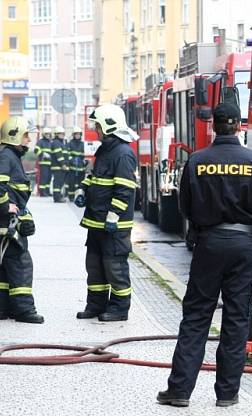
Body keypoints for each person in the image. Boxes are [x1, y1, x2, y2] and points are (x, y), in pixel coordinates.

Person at [157, 102, 252, 408]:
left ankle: (179, 390)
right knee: (236, 319)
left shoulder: (197, 161)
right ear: (238, 127)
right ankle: (227, 394)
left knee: (196, 317)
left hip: (209, 243)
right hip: (244, 246)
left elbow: (185, 206)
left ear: (214, 126)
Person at [73, 104, 138, 322]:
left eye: (98, 126)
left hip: (113, 226)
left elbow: (125, 189)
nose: (96, 130)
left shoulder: (123, 154)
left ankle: (120, 309)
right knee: (95, 266)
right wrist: (82, 188)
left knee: (115, 268)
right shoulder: (104, 150)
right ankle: (96, 305)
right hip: (95, 223)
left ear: (109, 126)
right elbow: (93, 176)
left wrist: (113, 216)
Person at [0, 116, 44, 324]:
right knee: (20, 261)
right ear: (15, 136)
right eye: (26, 136)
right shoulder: (6, 157)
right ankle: (24, 311)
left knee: (5, 262)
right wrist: (5, 206)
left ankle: (3, 308)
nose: (28, 140)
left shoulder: (9, 155)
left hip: (6, 218)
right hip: (6, 219)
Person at [66, 126, 87, 202]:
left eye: (79, 134)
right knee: (71, 183)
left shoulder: (83, 144)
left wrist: (85, 161)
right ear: (73, 135)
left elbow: (86, 154)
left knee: (81, 184)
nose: (77, 135)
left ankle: (79, 196)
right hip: (72, 167)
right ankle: (71, 197)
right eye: (76, 134)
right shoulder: (70, 144)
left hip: (81, 168)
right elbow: (66, 154)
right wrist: (71, 159)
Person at [50, 126, 68, 202]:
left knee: (59, 183)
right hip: (58, 167)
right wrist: (63, 165)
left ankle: (58, 196)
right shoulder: (56, 143)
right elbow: (59, 155)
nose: (63, 135)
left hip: (60, 167)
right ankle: (57, 198)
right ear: (56, 134)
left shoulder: (60, 143)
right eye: (61, 134)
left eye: (63, 134)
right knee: (57, 183)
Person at [33, 127, 53, 196]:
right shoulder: (40, 142)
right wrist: (43, 154)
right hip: (43, 163)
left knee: (49, 178)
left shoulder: (51, 142)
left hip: (51, 163)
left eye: (49, 134)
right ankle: (42, 192)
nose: (48, 135)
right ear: (43, 134)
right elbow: (36, 150)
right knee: (44, 178)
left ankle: (47, 191)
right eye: (46, 134)